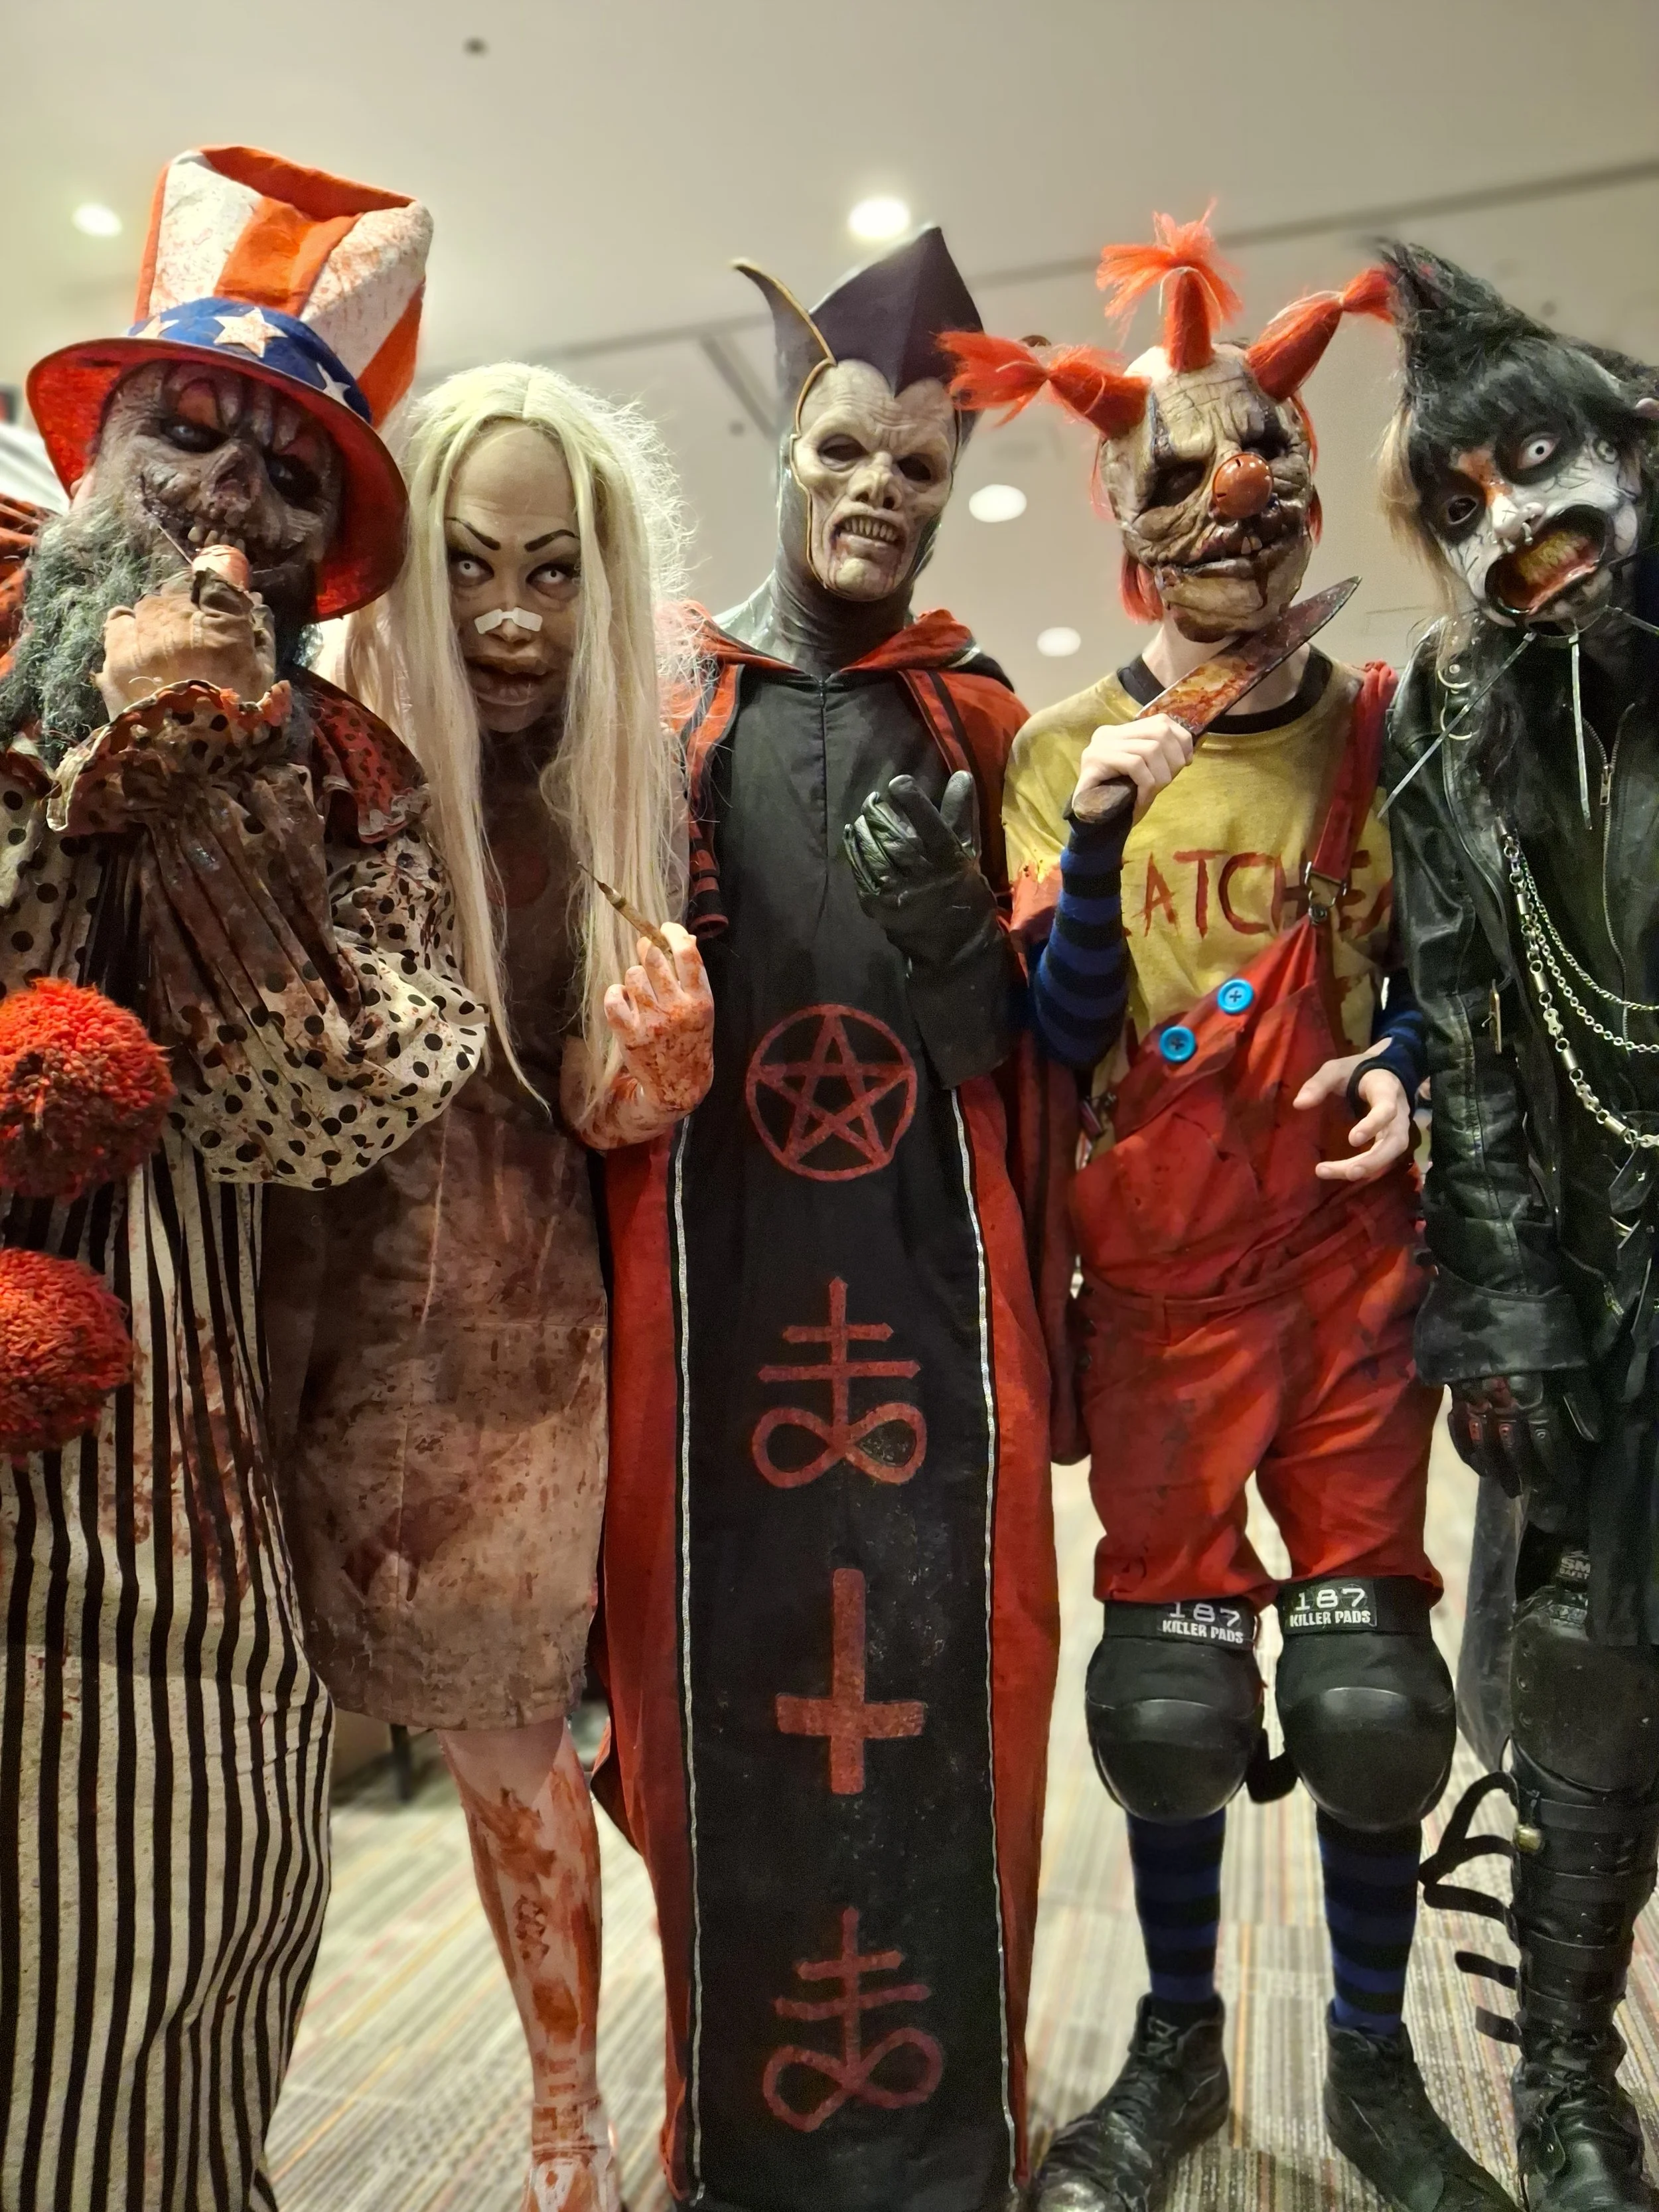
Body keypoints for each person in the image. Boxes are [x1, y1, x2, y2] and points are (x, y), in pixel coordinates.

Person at [960, 210, 1511, 2212]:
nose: (1234, 492)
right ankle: (1180, 2046)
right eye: (1179, 474)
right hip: (1163, 1291)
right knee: (1174, 1703)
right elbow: (1057, 1017)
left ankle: (1370, 2068)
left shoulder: (1388, 728)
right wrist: (1100, 834)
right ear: (1126, 535)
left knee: (1373, 1707)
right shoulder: (1051, 751)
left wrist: (1411, 1069)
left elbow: (1443, 976)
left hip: (1352, 1283)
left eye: (1261, 456)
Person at [0, 145, 486, 2209]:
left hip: (169, 1450)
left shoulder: (345, 781)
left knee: (179, 1882)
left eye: (291, 481)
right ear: (102, 447)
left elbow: (361, 1093)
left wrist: (197, 794)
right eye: (188, 434)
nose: (229, 502)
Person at [596, 226, 1062, 2212]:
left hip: (920, 1293)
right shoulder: (674, 695)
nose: (880, 495)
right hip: (718, 1285)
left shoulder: (965, 717)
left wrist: (963, 933)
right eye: (848, 453)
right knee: (719, 1684)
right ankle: (742, 2134)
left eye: (918, 474)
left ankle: (947, 2135)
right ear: (788, 448)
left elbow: (1006, 1046)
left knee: (954, 1675)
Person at [265, 360, 713, 2212]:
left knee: (506, 1745)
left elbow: (603, 1094)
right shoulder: (314, 764)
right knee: (237, 1755)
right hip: (283, 1318)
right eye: (468, 564)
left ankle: (559, 2105)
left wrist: (658, 1064)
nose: (513, 614)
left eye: (551, 569)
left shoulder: (622, 791)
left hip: (512, 1351)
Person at [1377, 240, 1659, 2212]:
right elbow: (1464, 1038)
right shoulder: (1445, 721)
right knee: (1584, 1690)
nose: (1511, 530)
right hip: (1589, 1279)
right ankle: (1565, 2073)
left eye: (1532, 467)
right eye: (1458, 512)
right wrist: (1497, 1316)